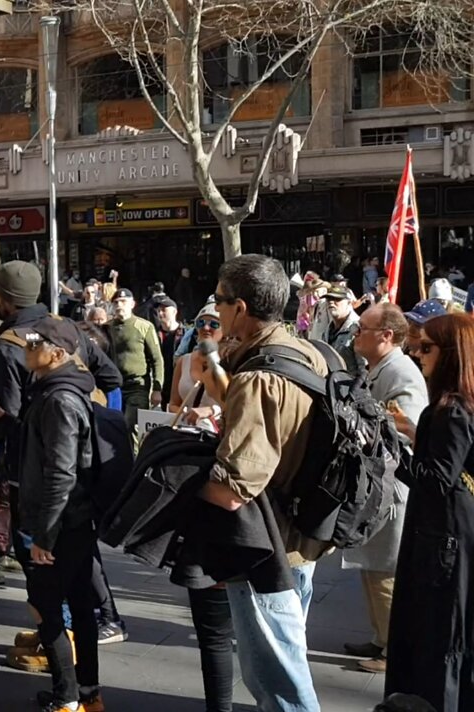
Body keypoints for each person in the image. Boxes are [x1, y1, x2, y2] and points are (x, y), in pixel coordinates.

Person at [188, 254, 331, 712]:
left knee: (278, 682)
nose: (217, 310)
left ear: (241, 308)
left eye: (220, 301)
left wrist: (178, 489)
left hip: (264, 548)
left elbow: (233, 489)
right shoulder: (307, 351)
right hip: (304, 535)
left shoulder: (257, 378)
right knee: (289, 657)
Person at [12, 317, 104, 712]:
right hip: (76, 520)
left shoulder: (59, 400)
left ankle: (67, 699)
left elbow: (61, 473)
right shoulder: (56, 392)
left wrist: (44, 537)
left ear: (58, 354)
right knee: (80, 604)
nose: (27, 347)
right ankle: (88, 695)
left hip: (62, 523)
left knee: (45, 606)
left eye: (35, 343)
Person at [385, 314, 474, 711]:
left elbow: (438, 480)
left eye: (426, 348)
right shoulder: (459, 405)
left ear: (451, 355)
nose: (417, 354)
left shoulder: (452, 409)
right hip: (452, 533)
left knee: (438, 635)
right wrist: (413, 436)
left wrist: (390, 455)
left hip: (443, 538)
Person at [342, 303, 428, 675]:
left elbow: (406, 428)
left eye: (363, 328)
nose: (356, 333)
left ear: (386, 336)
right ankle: (381, 637)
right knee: (372, 567)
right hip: (376, 486)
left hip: (391, 490)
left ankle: (394, 649)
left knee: (385, 570)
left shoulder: (401, 372)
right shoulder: (379, 367)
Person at [107, 288, 165, 428]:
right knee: (113, 426)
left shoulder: (144, 327)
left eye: (123, 302)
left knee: (130, 425)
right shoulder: (107, 328)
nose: (119, 305)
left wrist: (157, 389)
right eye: (116, 302)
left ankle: (134, 451)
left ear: (132, 304)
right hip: (114, 386)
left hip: (137, 386)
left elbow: (157, 359)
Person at [169, 303, 224, 421]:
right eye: (201, 323)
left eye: (214, 324)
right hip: (187, 433)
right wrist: (185, 414)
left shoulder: (230, 363)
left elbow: (238, 404)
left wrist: (211, 410)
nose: (206, 328)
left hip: (217, 432)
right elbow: (173, 404)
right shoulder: (184, 361)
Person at [322, 285, 364, 374]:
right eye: (328, 299)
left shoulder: (359, 328)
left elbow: (364, 369)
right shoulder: (327, 330)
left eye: (337, 299)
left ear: (349, 303)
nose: (331, 302)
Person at [153, 296, 185, 408]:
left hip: (178, 384)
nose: (160, 313)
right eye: (158, 311)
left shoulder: (186, 334)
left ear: (174, 312)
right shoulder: (154, 334)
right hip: (160, 385)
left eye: (164, 310)